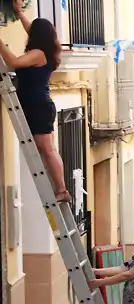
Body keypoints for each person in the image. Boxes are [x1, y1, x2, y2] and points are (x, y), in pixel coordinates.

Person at [0, 0, 69, 202]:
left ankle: (62, 190)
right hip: (39, 105)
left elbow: (14, 62)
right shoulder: (44, 50)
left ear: (37, 36)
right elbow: (31, 28)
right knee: (46, 149)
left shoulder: (37, 54)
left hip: (38, 106)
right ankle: (61, 188)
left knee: (47, 150)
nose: (29, 33)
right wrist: (19, 12)